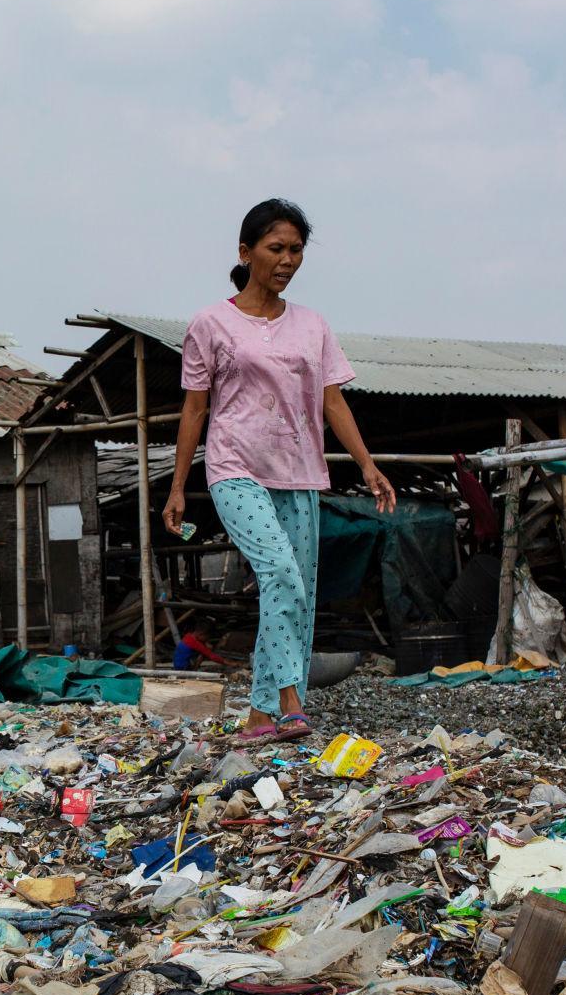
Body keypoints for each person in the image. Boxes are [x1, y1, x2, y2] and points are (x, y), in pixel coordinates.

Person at [161, 198, 395, 741]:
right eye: (276, 248)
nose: (287, 260)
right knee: (280, 573)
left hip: (300, 472)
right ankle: (289, 700)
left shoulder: (313, 326)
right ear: (245, 253)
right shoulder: (210, 323)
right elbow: (195, 408)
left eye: (296, 250)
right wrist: (177, 488)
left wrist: (367, 464)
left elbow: (332, 402)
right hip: (234, 466)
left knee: (297, 592)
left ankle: (260, 716)